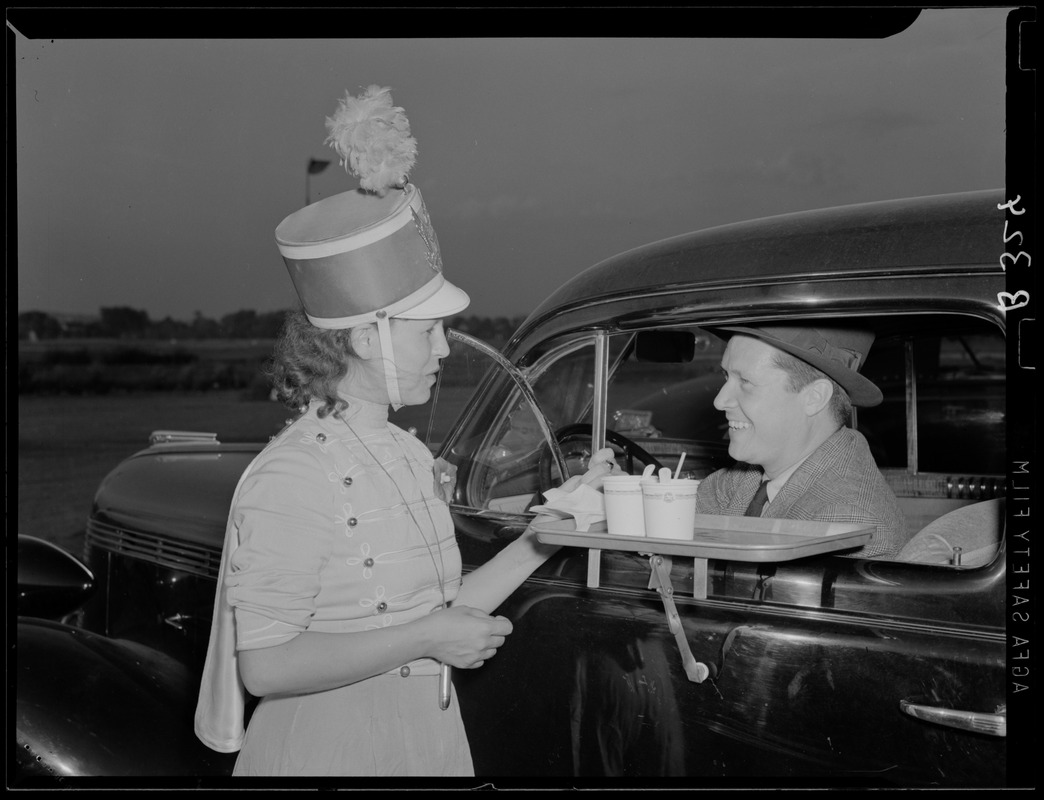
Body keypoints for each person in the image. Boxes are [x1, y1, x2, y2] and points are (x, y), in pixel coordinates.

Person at [193, 86, 616, 777]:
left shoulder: (403, 449)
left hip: (424, 741)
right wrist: (428, 636)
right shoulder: (293, 474)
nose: (446, 349)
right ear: (365, 336)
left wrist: (554, 527)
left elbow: (442, 608)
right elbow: (265, 665)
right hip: (329, 753)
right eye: (431, 333)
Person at [694, 324, 907, 559]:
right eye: (726, 376)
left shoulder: (850, 527)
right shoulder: (750, 475)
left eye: (745, 381)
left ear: (814, 398)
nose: (720, 400)